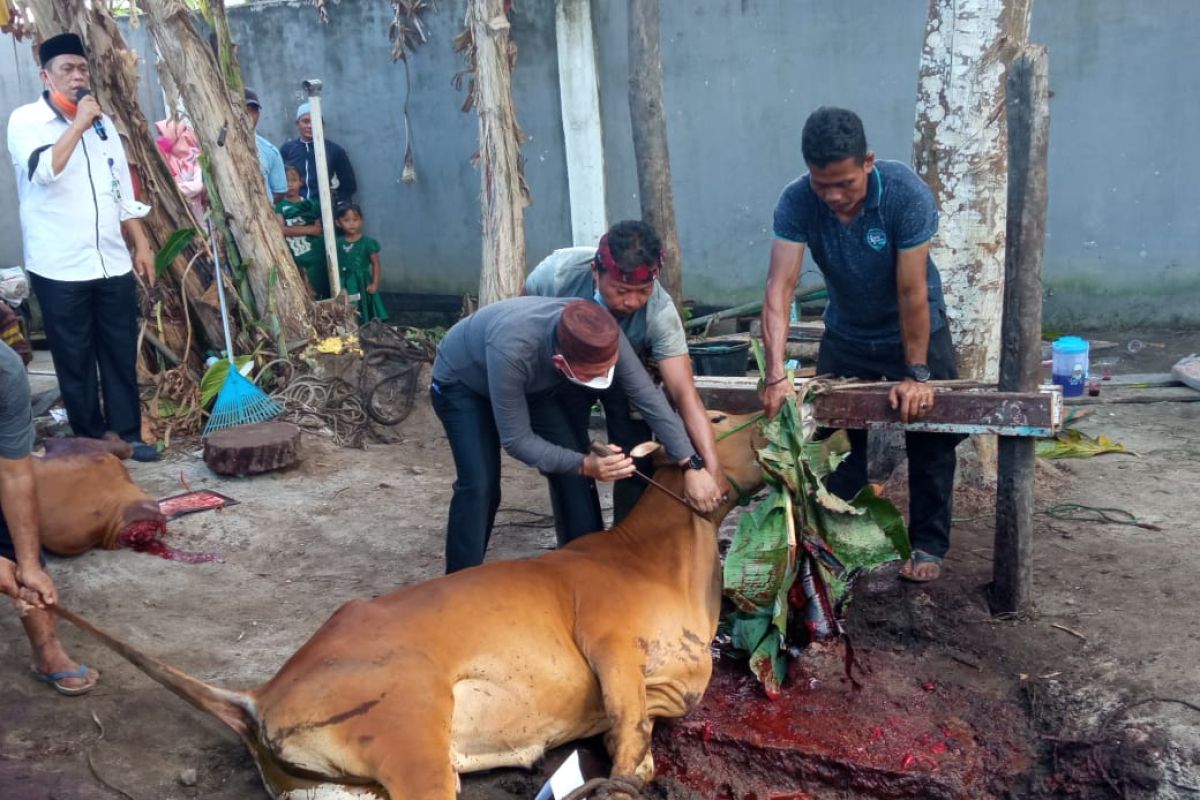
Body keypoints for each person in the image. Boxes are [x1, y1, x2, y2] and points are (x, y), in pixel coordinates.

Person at [759, 106, 965, 583]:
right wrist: (774, 375)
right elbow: (779, 287)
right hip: (847, 335)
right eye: (821, 183)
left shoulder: (904, 194)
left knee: (931, 441)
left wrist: (916, 374)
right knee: (835, 447)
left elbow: (912, 291)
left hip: (915, 332)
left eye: (844, 184)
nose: (832, 196)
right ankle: (835, 546)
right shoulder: (796, 201)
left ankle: (928, 546)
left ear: (868, 161)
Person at [430, 297, 716, 574]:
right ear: (560, 363)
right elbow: (517, 440)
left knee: (571, 469)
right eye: (594, 374)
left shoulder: (602, 333)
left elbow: (648, 398)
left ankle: (584, 567)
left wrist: (691, 463)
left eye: (609, 368)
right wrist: (585, 464)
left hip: (533, 386)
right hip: (462, 382)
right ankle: (459, 581)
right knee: (481, 484)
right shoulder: (513, 349)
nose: (604, 375)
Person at [6, 32, 158, 462]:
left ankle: (128, 436)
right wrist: (77, 125)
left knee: (119, 352)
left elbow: (117, 188)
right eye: (66, 69)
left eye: (81, 68)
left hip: (110, 261)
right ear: (45, 75)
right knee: (74, 359)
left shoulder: (104, 125)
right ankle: (89, 443)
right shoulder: (25, 121)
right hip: (59, 265)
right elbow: (45, 172)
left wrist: (141, 243)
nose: (77, 76)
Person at [524, 221, 726, 541]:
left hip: (630, 377)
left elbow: (684, 395)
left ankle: (629, 543)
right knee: (569, 456)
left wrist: (707, 468)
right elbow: (525, 329)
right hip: (568, 371)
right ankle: (580, 547)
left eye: (642, 292)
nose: (631, 302)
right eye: (620, 291)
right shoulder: (555, 277)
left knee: (633, 456)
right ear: (595, 271)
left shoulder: (659, 313)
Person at [0, 340, 99, 696]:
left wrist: (28, 565)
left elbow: (14, 474)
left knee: (15, 541)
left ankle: (47, 653)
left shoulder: (4, 369)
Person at [280, 102, 357, 207]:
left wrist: (336, 203)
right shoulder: (287, 149)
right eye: (305, 121)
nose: (310, 126)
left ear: (323, 124)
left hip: (324, 210)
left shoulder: (334, 150)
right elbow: (277, 180)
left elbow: (348, 185)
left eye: (315, 121)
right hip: (293, 210)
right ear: (297, 123)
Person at [276, 165, 328, 299]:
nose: (289, 185)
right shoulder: (279, 207)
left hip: (316, 251)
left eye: (293, 180)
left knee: (321, 283)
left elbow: (319, 228)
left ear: (301, 181)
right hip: (297, 253)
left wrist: (298, 230)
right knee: (305, 287)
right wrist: (310, 229)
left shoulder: (311, 204)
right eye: (285, 181)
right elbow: (282, 230)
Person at [334, 204, 387, 323]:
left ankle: (364, 329)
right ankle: (350, 329)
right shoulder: (337, 242)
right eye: (346, 220)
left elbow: (376, 264)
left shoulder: (368, 242)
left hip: (362, 281)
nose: (351, 223)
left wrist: (374, 284)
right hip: (343, 281)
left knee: (362, 306)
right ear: (338, 223)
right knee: (346, 305)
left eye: (355, 220)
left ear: (361, 221)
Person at [155, 117, 205, 222]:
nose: (160, 138)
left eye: (162, 134)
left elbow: (198, 185)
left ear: (171, 132)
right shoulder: (172, 158)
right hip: (191, 211)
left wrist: (178, 189)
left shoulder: (191, 145)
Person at [244, 89, 286, 203]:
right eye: (245, 110)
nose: (250, 116)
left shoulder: (269, 151)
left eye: (254, 111)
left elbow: (279, 192)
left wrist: (263, 206)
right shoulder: (218, 146)